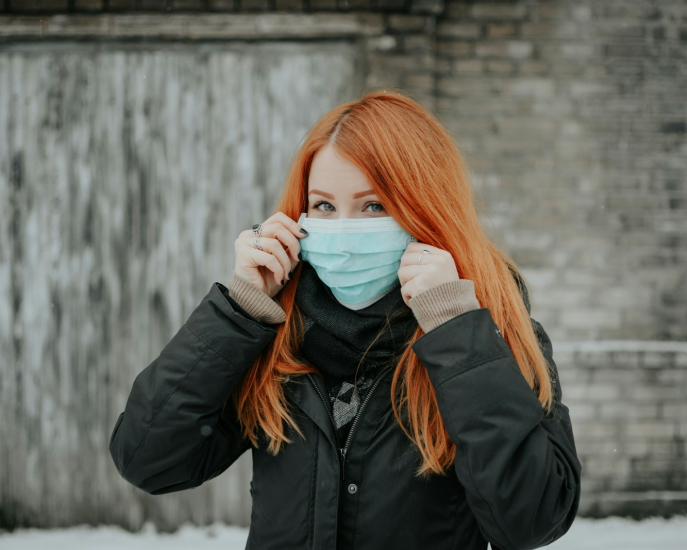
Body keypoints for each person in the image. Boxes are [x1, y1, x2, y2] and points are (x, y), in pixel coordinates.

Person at [109, 90, 581, 550]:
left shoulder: (495, 335)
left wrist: (457, 331)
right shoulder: (280, 338)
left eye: (374, 205)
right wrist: (238, 311)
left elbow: (532, 520)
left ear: (427, 210)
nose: (346, 231)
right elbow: (147, 459)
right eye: (324, 207)